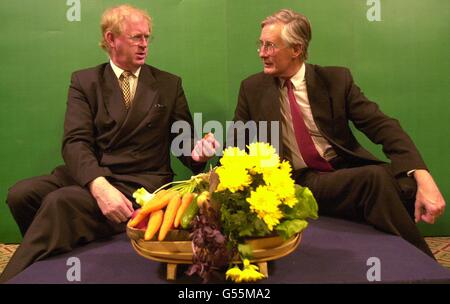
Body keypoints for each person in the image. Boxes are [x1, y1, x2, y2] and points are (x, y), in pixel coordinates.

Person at [0, 4, 216, 283]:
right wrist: (98, 184)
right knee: (21, 193)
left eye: (147, 37)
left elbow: (182, 141)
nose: (144, 45)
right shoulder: (85, 81)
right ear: (111, 39)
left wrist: (197, 152)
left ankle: (12, 278)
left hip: (140, 181)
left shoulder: (168, 84)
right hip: (95, 176)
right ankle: (54, 262)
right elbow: (75, 142)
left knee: (61, 202)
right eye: (136, 37)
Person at [230, 9, 445, 257]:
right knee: (374, 179)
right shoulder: (252, 88)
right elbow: (237, 142)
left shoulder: (335, 80)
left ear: (296, 49)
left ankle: (385, 257)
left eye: (270, 46)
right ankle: (420, 261)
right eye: (261, 44)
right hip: (295, 181)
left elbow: (382, 125)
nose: (262, 53)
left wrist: (422, 175)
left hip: (340, 172)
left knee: (405, 184)